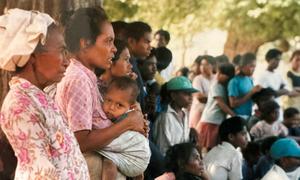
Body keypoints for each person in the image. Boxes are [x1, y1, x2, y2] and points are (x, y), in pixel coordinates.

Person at [55, 7, 146, 180]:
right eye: (108, 41)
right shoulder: (78, 79)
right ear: (85, 42)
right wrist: (126, 124)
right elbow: (81, 141)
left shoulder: (86, 76)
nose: (113, 49)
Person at [0, 9, 89, 179]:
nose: (67, 60)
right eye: (61, 51)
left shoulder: (37, 97)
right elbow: (40, 173)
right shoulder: (20, 105)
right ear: (32, 55)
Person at [98, 77, 151, 177]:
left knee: (108, 163)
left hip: (134, 159)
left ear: (130, 107)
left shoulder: (129, 117)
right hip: (135, 161)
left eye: (119, 105)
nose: (111, 107)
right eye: (109, 100)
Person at [153, 76, 198, 155]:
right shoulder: (166, 117)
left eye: (191, 94)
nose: (191, 97)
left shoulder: (185, 114)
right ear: (173, 96)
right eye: (186, 94)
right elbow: (162, 150)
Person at [198, 63, 236, 151]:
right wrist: (233, 114)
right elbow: (220, 103)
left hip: (217, 121)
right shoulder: (216, 86)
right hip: (211, 120)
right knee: (209, 147)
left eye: (222, 73)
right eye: (218, 73)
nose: (218, 75)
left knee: (214, 147)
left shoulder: (225, 87)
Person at [255, 48, 296, 121]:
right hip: (268, 113)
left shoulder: (278, 75)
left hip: (277, 110)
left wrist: (276, 93)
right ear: (268, 59)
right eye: (276, 59)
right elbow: (264, 96)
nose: (278, 62)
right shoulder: (262, 76)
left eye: (279, 60)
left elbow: (287, 88)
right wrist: (279, 92)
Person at [125, 21, 152, 112]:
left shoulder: (134, 63)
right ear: (131, 41)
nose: (150, 47)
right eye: (146, 42)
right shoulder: (125, 67)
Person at [228, 52, 261, 118]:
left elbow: (250, 102)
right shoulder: (234, 81)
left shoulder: (250, 80)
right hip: (237, 118)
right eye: (251, 66)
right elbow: (233, 104)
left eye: (255, 66)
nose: (253, 69)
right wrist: (251, 93)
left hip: (248, 117)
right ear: (242, 66)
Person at [190, 55, 216, 129]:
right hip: (199, 113)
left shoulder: (216, 78)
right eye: (202, 64)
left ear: (213, 65)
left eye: (206, 64)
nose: (203, 67)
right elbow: (199, 97)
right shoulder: (198, 79)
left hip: (211, 114)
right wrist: (216, 98)